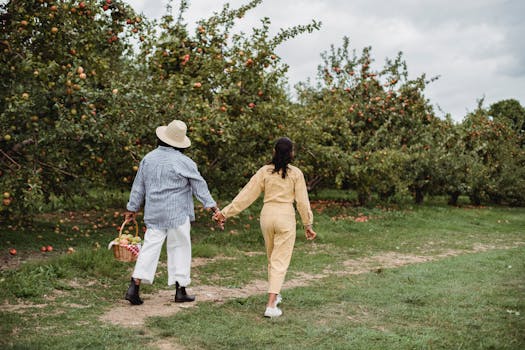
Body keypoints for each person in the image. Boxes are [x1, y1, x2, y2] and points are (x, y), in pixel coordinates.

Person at [213, 137, 316, 318]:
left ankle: (274, 296)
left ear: (274, 152)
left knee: (272, 258)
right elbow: (302, 202)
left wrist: (225, 212)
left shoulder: (264, 172)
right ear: (292, 153)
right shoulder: (296, 173)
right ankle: (270, 305)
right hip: (285, 217)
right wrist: (307, 224)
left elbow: (246, 195)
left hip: (267, 217)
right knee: (279, 262)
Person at [123, 119, 220, 305]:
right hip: (177, 213)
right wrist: (213, 208)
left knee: (150, 247)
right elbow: (200, 187)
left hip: (154, 212)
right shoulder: (185, 162)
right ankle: (180, 290)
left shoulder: (148, 159)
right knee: (180, 248)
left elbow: (138, 187)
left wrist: (132, 208)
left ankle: (134, 286)